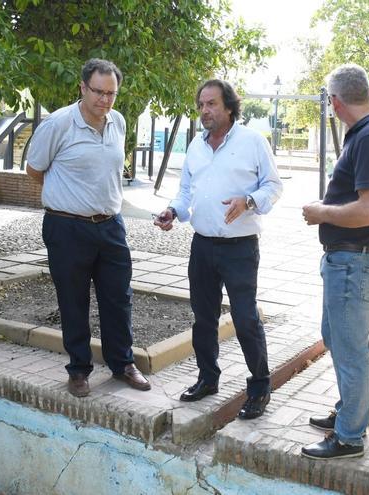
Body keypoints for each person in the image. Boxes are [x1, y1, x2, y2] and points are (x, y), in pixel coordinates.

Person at [153, 79, 283, 420]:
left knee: (245, 319)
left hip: (240, 248)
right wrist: (172, 211)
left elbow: (274, 185)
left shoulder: (253, 141)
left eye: (211, 104)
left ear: (229, 107)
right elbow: (186, 193)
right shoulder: (195, 146)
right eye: (200, 105)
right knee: (203, 319)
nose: (204, 111)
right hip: (202, 246)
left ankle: (259, 387)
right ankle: (208, 379)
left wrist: (249, 201)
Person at [25, 58, 150, 398]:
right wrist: (67, 198)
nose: (105, 100)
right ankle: (79, 370)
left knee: (118, 298)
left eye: (111, 93)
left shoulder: (118, 122)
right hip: (67, 228)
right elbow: (34, 170)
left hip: (111, 227)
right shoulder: (58, 125)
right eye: (98, 92)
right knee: (73, 301)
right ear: (82, 87)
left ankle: (123, 363)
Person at [300, 64, 369, 459]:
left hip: (356, 262)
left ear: (336, 102)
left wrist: (322, 212)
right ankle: (349, 412)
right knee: (338, 339)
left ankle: (348, 437)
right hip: (351, 261)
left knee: (349, 350)